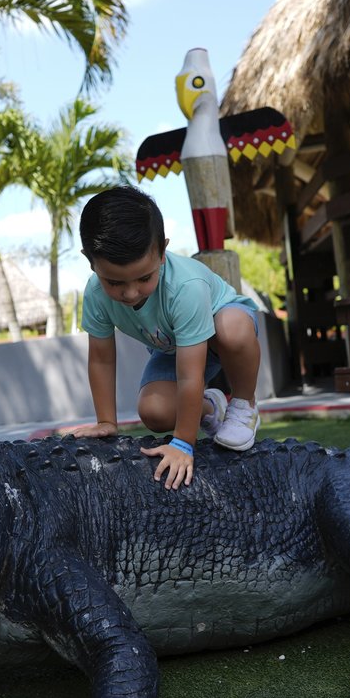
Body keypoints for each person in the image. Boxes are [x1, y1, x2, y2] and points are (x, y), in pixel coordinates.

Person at [70, 186, 263, 489]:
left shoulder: (186, 287)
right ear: (90, 261)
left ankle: (243, 404)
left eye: (144, 278)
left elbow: (190, 376)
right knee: (154, 413)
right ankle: (210, 408)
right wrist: (106, 421)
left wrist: (183, 443)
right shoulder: (95, 294)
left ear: (162, 252)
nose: (130, 293)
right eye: (115, 282)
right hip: (173, 348)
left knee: (232, 328)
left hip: (221, 331)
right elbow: (102, 360)